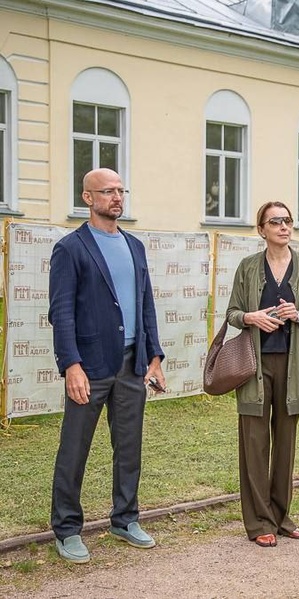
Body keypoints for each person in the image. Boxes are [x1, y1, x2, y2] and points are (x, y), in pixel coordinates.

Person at [48, 168, 167, 564]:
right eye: (108, 192)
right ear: (87, 197)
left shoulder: (135, 246)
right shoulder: (71, 248)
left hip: (132, 365)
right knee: (74, 449)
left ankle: (125, 519)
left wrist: (155, 357)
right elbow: (61, 312)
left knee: (129, 448)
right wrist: (71, 366)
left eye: (120, 191)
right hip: (91, 366)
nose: (117, 198)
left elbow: (145, 302)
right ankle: (67, 529)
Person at [226, 201, 299, 547]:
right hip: (255, 366)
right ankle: (259, 523)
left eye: (288, 220)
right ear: (262, 230)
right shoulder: (247, 267)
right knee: (254, 444)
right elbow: (232, 314)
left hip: (294, 364)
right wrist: (252, 317)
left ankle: (282, 516)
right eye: (276, 221)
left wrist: (298, 314)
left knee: (285, 444)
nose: (284, 226)